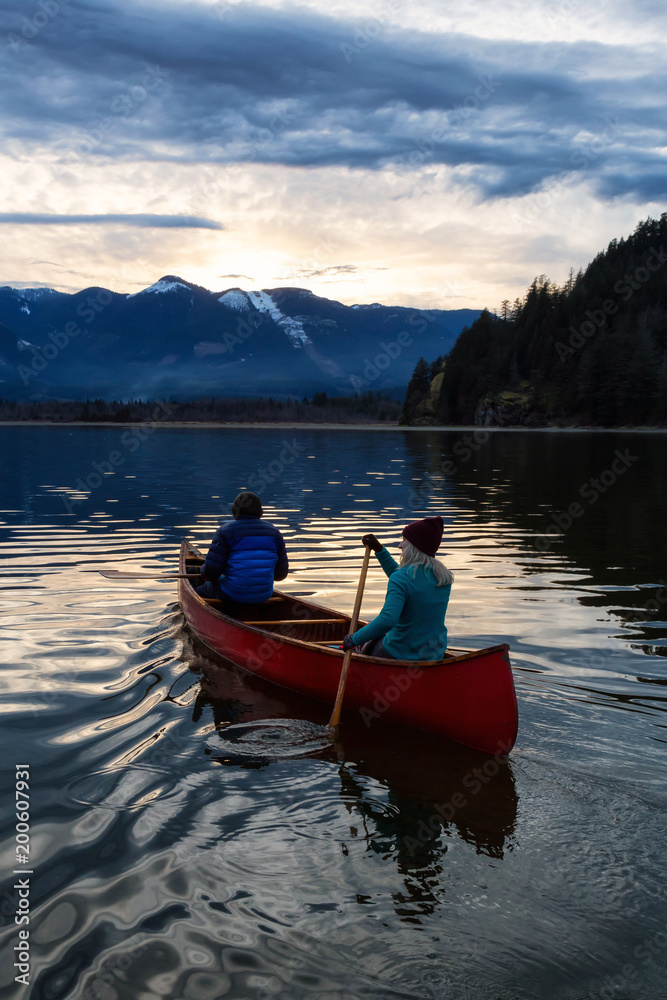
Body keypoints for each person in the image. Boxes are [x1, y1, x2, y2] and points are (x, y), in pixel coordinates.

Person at [342, 516, 453, 660]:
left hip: (400, 653)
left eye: (404, 540)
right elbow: (406, 580)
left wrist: (354, 639)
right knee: (374, 632)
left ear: (414, 546)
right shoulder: (443, 578)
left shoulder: (402, 578)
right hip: (433, 653)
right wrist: (380, 550)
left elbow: (388, 620)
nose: (400, 546)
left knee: (369, 639)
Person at [196, 491, 288, 610]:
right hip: (263, 595)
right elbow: (280, 575)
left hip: (233, 594)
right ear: (261, 512)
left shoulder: (225, 532)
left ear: (235, 511)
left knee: (201, 588)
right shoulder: (275, 533)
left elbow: (212, 572)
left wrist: (203, 570)